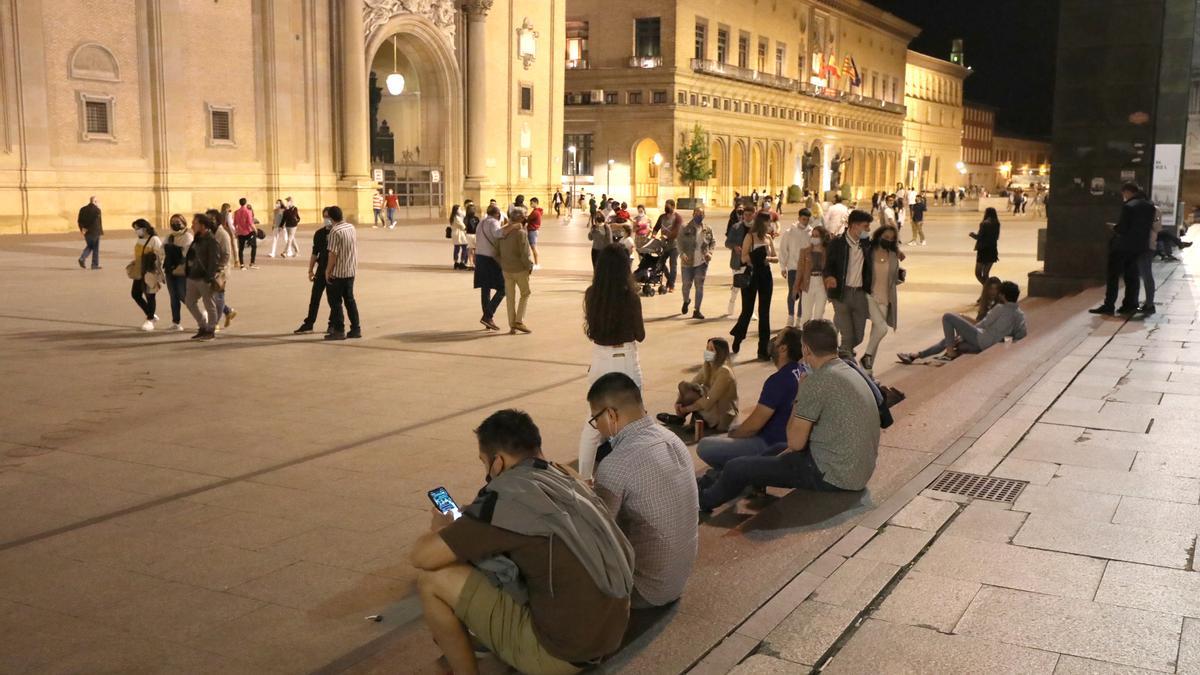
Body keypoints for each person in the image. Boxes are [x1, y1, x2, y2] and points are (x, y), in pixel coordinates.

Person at [410, 409, 633, 675]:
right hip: (612, 632)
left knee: (432, 581)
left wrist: (441, 530)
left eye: (484, 462)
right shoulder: (566, 476)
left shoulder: (508, 500)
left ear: (498, 462)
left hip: (563, 654)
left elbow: (422, 557)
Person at [697, 322, 877, 512]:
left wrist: (800, 393)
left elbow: (795, 443)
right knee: (775, 449)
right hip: (858, 471)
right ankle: (719, 480)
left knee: (736, 466)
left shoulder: (816, 381)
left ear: (806, 349)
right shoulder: (847, 368)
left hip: (833, 476)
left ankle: (702, 501)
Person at [589, 373, 699, 609]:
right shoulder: (672, 439)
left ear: (610, 414)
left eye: (595, 419)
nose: (596, 428)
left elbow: (596, 535)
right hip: (677, 580)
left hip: (644, 589)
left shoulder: (617, 462)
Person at [579, 245, 646, 480]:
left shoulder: (591, 294)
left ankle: (585, 477)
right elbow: (640, 334)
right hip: (625, 359)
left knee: (593, 423)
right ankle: (634, 476)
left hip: (599, 359)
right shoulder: (630, 297)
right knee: (635, 420)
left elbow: (592, 329)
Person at [899, 281, 1027, 363]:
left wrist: (966, 333)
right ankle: (915, 355)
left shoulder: (1000, 308)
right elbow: (1021, 334)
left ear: (1003, 295)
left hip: (981, 340)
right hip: (988, 345)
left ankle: (948, 352)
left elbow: (984, 324)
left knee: (948, 317)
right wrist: (1000, 338)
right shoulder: (1019, 315)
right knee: (953, 342)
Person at [1088, 184, 1154, 316]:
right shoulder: (1149, 206)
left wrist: (1114, 227)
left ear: (1128, 192)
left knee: (1113, 276)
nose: (1124, 197)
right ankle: (1130, 304)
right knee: (1132, 276)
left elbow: (1122, 229)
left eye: (1124, 194)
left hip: (1122, 246)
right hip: (1139, 246)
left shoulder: (1129, 206)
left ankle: (1109, 305)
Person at [658, 338, 738, 434]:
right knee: (684, 386)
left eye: (711, 349)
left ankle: (692, 419)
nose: (708, 352)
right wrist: (678, 403)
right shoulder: (708, 366)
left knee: (699, 393)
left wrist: (686, 409)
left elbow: (710, 399)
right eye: (707, 348)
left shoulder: (724, 371)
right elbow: (691, 385)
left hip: (721, 413)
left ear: (720, 352)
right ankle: (681, 417)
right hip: (710, 406)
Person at [824, 210, 874, 358]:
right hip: (841, 294)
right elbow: (828, 266)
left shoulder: (868, 245)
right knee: (848, 336)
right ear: (854, 226)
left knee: (858, 336)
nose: (868, 230)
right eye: (865, 226)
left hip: (860, 295)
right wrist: (830, 277)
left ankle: (840, 355)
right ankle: (845, 366)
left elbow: (885, 246)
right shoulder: (837, 244)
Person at [730, 212, 778, 360]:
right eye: (767, 222)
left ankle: (763, 349)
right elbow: (743, 257)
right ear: (761, 223)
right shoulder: (750, 237)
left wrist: (767, 258)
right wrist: (756, 257)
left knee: (764, 312)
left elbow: (776, 258)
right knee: (747, 310)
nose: (769, 225)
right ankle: (738, 335)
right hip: (752, 274)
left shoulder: (769, 238)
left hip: (765, 275)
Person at [860, 225, 904, 373]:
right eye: (885, 237)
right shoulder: (869, 252)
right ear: (879, 236)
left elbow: (893, 278)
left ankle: (868, 370)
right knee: (882, 328)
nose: (888, 240)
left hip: (885, 299)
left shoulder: (893, 255)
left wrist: (900, 276)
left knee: (876, 336)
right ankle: (866, 357)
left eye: (891, 239)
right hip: (869, 296)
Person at [324, 206, 361, 340]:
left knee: (335, 302)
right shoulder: (351, 227)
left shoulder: (335, 231)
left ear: (331, 218)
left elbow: (333, 253)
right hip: (351, 270)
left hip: (338, 272)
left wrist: (328, 271)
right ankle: (356, 328)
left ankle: (339, 330)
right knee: (350, 300)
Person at [295, 208, 334, 335]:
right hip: (321, 269)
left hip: (333, 271)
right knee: (315, 297)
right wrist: (310, 270)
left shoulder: (337, 233)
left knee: (333, 300)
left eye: (328, 216)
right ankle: (309, 323)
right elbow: (314, 253)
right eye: (324, 216)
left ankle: (332, 324)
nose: (326, 219)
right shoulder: (319, 234)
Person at [183, 213, 221, 341]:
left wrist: (209, 278)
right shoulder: (197, 238)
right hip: (192, 276)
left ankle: (211, 330)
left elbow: (214, 261)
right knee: (189, 302)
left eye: (195, 223)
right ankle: (202, 326)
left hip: (204, 278)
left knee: (209, 305)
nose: (192, 225)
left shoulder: (211, 240)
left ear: (203, 225)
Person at [498, 213, 534, 334]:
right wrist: (529, 266)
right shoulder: (521, 233)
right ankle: (519, 321)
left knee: (510, 297)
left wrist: (502, 263)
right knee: (525, 293)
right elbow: (524, 253)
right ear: (520, 220)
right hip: (519, 269)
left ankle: (512, 325)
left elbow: (496, 251)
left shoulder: (502, 232)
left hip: (506, 269)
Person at [678, 207, 715, 320]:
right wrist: (682, 253)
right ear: (693, 214)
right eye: (697, 213)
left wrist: (710, 252)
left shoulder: (707, 229)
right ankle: (686, 300)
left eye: (701, 214)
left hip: (702, 262)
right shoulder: (685, 227)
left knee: (699, 286)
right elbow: (679, 242)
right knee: (686, 285)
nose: (699, 215)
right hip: (687, 262)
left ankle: (697, 310)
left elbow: (712, 242)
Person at [474, 205, 506, 330]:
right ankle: (488, 315)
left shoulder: (481, 222)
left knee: (485, 288)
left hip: (480, 257)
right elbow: (499, 235)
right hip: (491, 259)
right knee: (504, 288)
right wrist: (509, 227)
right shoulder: (493, 223)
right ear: (497, 214)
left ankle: (488, 318)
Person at [778, 209, 813, 327]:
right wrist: (783, 267)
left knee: (804, 294)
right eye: (803, 219)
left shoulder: (811, 232)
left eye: (807, 220)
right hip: (793, 267)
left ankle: (799, 318)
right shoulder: (790, 232)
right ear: (799, 218)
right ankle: (790, 316)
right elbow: (783, 249)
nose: (805, 222)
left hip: (806, 269)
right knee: (793, 292)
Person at [129, 219, 164, 331]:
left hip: (150, 271)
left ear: (145, 228)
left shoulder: (154, 239)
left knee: (150, 295)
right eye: (135, 229)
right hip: (139, 270)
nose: (136, 231)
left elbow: (161, 255)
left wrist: (157, 271)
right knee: (135, 294)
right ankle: (151, 314)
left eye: (137, 228)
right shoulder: (140, 240)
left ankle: (150, 320)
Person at [162, 214, 192, 332]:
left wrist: (173, 249)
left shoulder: (188, 236)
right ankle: (176, 322)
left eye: (178, 222)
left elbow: (186, 253)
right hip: (169, 269)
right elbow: (161, 249)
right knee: (173, 297)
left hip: (181, 269)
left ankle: (200, 314)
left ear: (184, 223)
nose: (175, 224)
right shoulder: (169, 236)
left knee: (182, 295)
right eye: (173, 222)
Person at [210, 207, 238, 330]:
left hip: (220, 271)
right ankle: (228, 311)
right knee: (211, 295)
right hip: (211, 269)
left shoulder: (222, 234)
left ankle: (215, 322)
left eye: (211, 219)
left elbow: (226, 254)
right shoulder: (210, 232)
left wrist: (219, 268)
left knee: (218, 295)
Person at [796, 225, 830, 325]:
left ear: (822, 237)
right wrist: (796, 286)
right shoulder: (805, 251)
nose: (814, 238)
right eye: (813, 235)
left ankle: (816, 338)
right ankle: (804, 338)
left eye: (817, 236)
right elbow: (800, 270)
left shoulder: (827, 252)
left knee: (819, 315)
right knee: (806, 315)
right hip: (808, 283)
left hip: (822, 283)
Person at [725, 207, 753, 316]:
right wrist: (735, 247)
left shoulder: (756, 229)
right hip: (738, 262)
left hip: (751, 262)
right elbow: (727, 243)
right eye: (745, 215)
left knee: (749, 289)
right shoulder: (736, 227)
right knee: (737, 287)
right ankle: (731, 302)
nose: (747, 217)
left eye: (750, 215)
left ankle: (749, 312)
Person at [654, 199, 684, 292]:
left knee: (673, 265)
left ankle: (671, 286)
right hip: (664, 245)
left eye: (668, 206)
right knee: (660, 263)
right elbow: (656, 227)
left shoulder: (678, 217)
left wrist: (667, 236)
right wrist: (653, 235)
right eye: (665, 205)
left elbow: (676, 232)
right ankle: (670, 281)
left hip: (675, 245)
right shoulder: (662, 217)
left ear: (673, 206)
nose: (666, 207)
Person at [970, 207, 1001, 284]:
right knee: (986, 274)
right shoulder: (997, 223)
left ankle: (987, 288)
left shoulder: (984, 223)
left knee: (978, 273)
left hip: (983, 250)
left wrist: (972, 235)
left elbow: (980, 237)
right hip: (992, 249)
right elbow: (997, 237)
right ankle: (988, 289)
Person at [77, 196, 103, 269]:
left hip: (86, 232)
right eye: (97, 201)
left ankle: (82, 258)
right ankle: (94, 265)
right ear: (94, 202)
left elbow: (79, 220)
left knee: (90, 246)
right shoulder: (97, 210)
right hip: (95, 232)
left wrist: (82, 229)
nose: (98, 203)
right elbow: (94, 221)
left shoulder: (82, 209)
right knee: (95, 248)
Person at [233, 198, 258, 270]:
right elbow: (250, 223)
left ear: (239, 203)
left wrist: (236, 232)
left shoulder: (236, 212)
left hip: (240, 232)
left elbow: (234, 223)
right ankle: (252, 263)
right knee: (254, 246)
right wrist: (255, 230)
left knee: (241, 249)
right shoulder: (248, 211)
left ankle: (242, 265)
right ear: (246, 203)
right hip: (248, 232)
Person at [449, 204, 468, 270]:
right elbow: (462, 226)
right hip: (459, 234)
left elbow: (464, 214)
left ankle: (456, 262)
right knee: (464, 247)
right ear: (456, 210)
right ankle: (462, 262)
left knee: (457, 248)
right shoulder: (456, 217)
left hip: (456, 234)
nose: (460, 210)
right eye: (459, 209)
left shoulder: (454, 216)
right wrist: (466, 228)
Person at [527, 197, 544, 270]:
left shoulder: (535, 212)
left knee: (534, 248)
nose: (530, 204)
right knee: (533, 247)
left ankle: (537, 264)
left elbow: (528, 219)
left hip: (532, 231)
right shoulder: (537, 211)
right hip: (534, 231)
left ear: (536, 203)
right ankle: (536, 263)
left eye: (531, 203)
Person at [464, 201, 480, 269]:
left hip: (468, 235)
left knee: (470, 251)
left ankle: (470, 264)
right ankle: (475, 263)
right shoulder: (477, 218)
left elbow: (465, 227)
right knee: (475, 250)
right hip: (475, 235)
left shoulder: (466, 219)